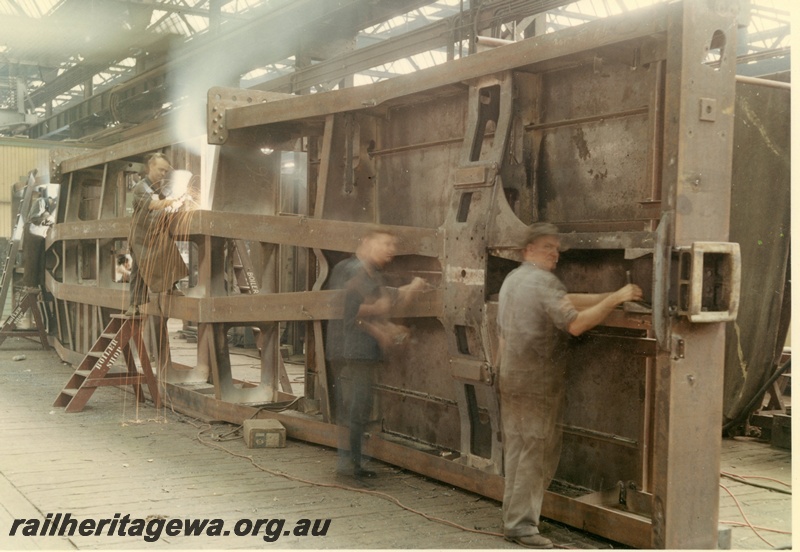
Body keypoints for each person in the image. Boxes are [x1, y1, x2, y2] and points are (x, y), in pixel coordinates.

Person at [497, 223, 642, 549]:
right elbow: (576, 325)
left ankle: (513, 517)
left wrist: (608, 298)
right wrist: (616, 297)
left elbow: (506, 334)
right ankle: (521, 527)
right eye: (547, 247)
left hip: (511, 377)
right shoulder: (544, 281)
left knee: (519, 451)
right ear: (528, 250)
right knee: (537, 453)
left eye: (556, 248)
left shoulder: (513, 280)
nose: (555, 253)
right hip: (537, 382)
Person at [326, 227, 426, 478]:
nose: (391, 251)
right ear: (367, 242)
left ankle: (354, 465)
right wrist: (381, 330)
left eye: (394, 245)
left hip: (359, 350)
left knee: (359, 408)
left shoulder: (369, 273)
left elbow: (374, 309)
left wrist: (389, 328)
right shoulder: (353, 271)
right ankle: (348, 468)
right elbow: (352, 312)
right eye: (385, 244)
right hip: (349, 350)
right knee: (354, 408)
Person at [125, 153, 188, 316]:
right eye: (160, 170)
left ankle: (172, 286)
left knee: (169, 254)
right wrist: (171, 201)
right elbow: (151, 205)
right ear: (151, 167)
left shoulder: (159, 187)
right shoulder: (141, 187)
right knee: (139, 270)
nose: (163, 173)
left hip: (156, 231)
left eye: (165, 171)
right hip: (140, 235)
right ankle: (134, 305)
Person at [21, 186, 54, 293]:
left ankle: (37, 285)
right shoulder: (41, 201)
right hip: (32, 231)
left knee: (40, 260)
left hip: (39, 234)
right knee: (32, 259)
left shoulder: (48, 206)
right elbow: (34, 218)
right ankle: (30, 285)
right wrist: (49, 222)